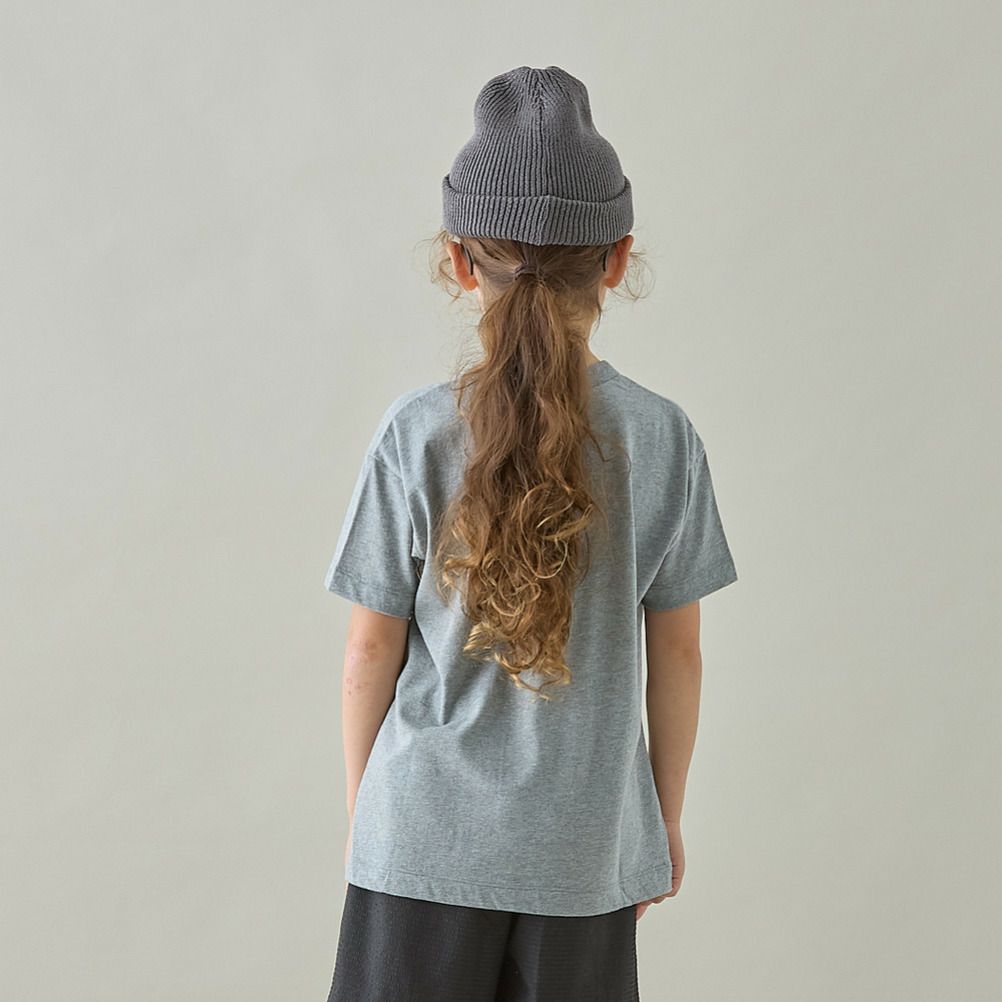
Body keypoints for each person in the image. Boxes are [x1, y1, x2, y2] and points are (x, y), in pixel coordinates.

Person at [322, 64, 738, 1002]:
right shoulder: (663, 437)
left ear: (461, 261)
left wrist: (369, 818)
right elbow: (678, 653)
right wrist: (662, 820)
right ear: (616, 259)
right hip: (584, 854)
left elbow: (368, 650)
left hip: (420, 843)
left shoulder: (415, 432)